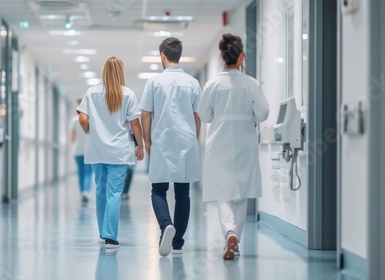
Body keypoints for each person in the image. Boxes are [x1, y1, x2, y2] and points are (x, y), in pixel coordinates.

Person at [197, 33, 269, 260]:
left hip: (219, 142)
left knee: (223, 192)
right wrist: (251, 116)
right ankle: (235, 236)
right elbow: (263, 112)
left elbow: (203, 114)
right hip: (244, 139)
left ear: (222, 56)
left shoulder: (212, 84)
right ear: (241, 57)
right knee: (242, 192)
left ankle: (229, 232)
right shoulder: (251, 83)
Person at [140, 37, 202, 257]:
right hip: (187, 141)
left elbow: (146, 113)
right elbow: (197, 117)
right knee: (183, 193)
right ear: (179, 56)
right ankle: (177, 243)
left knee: (158, 189)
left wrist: (146, 139)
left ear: (162, 56)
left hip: (162, 140)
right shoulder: (193, 83)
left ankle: (166, 224)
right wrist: (194, 139)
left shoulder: (154, 83)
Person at [77, 57, 144, 249]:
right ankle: (110, 236)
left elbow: (82, 120)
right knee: (114, 192)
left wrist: (93, 133)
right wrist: (141, 145)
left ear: (104, 72)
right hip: (119, 151)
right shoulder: (128, 94)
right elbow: (135, 124)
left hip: (97, 150)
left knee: (100, 190)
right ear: (121, 72)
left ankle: (103, 231)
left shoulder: (91, 92)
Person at [70, 97, 93, 202]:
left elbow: (72, 137)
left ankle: (82, 191)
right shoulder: (91, 119)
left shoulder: (74, 120)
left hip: (77, 150)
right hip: (90, 149)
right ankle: (86, 191)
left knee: (81, 172)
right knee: (89, 172)